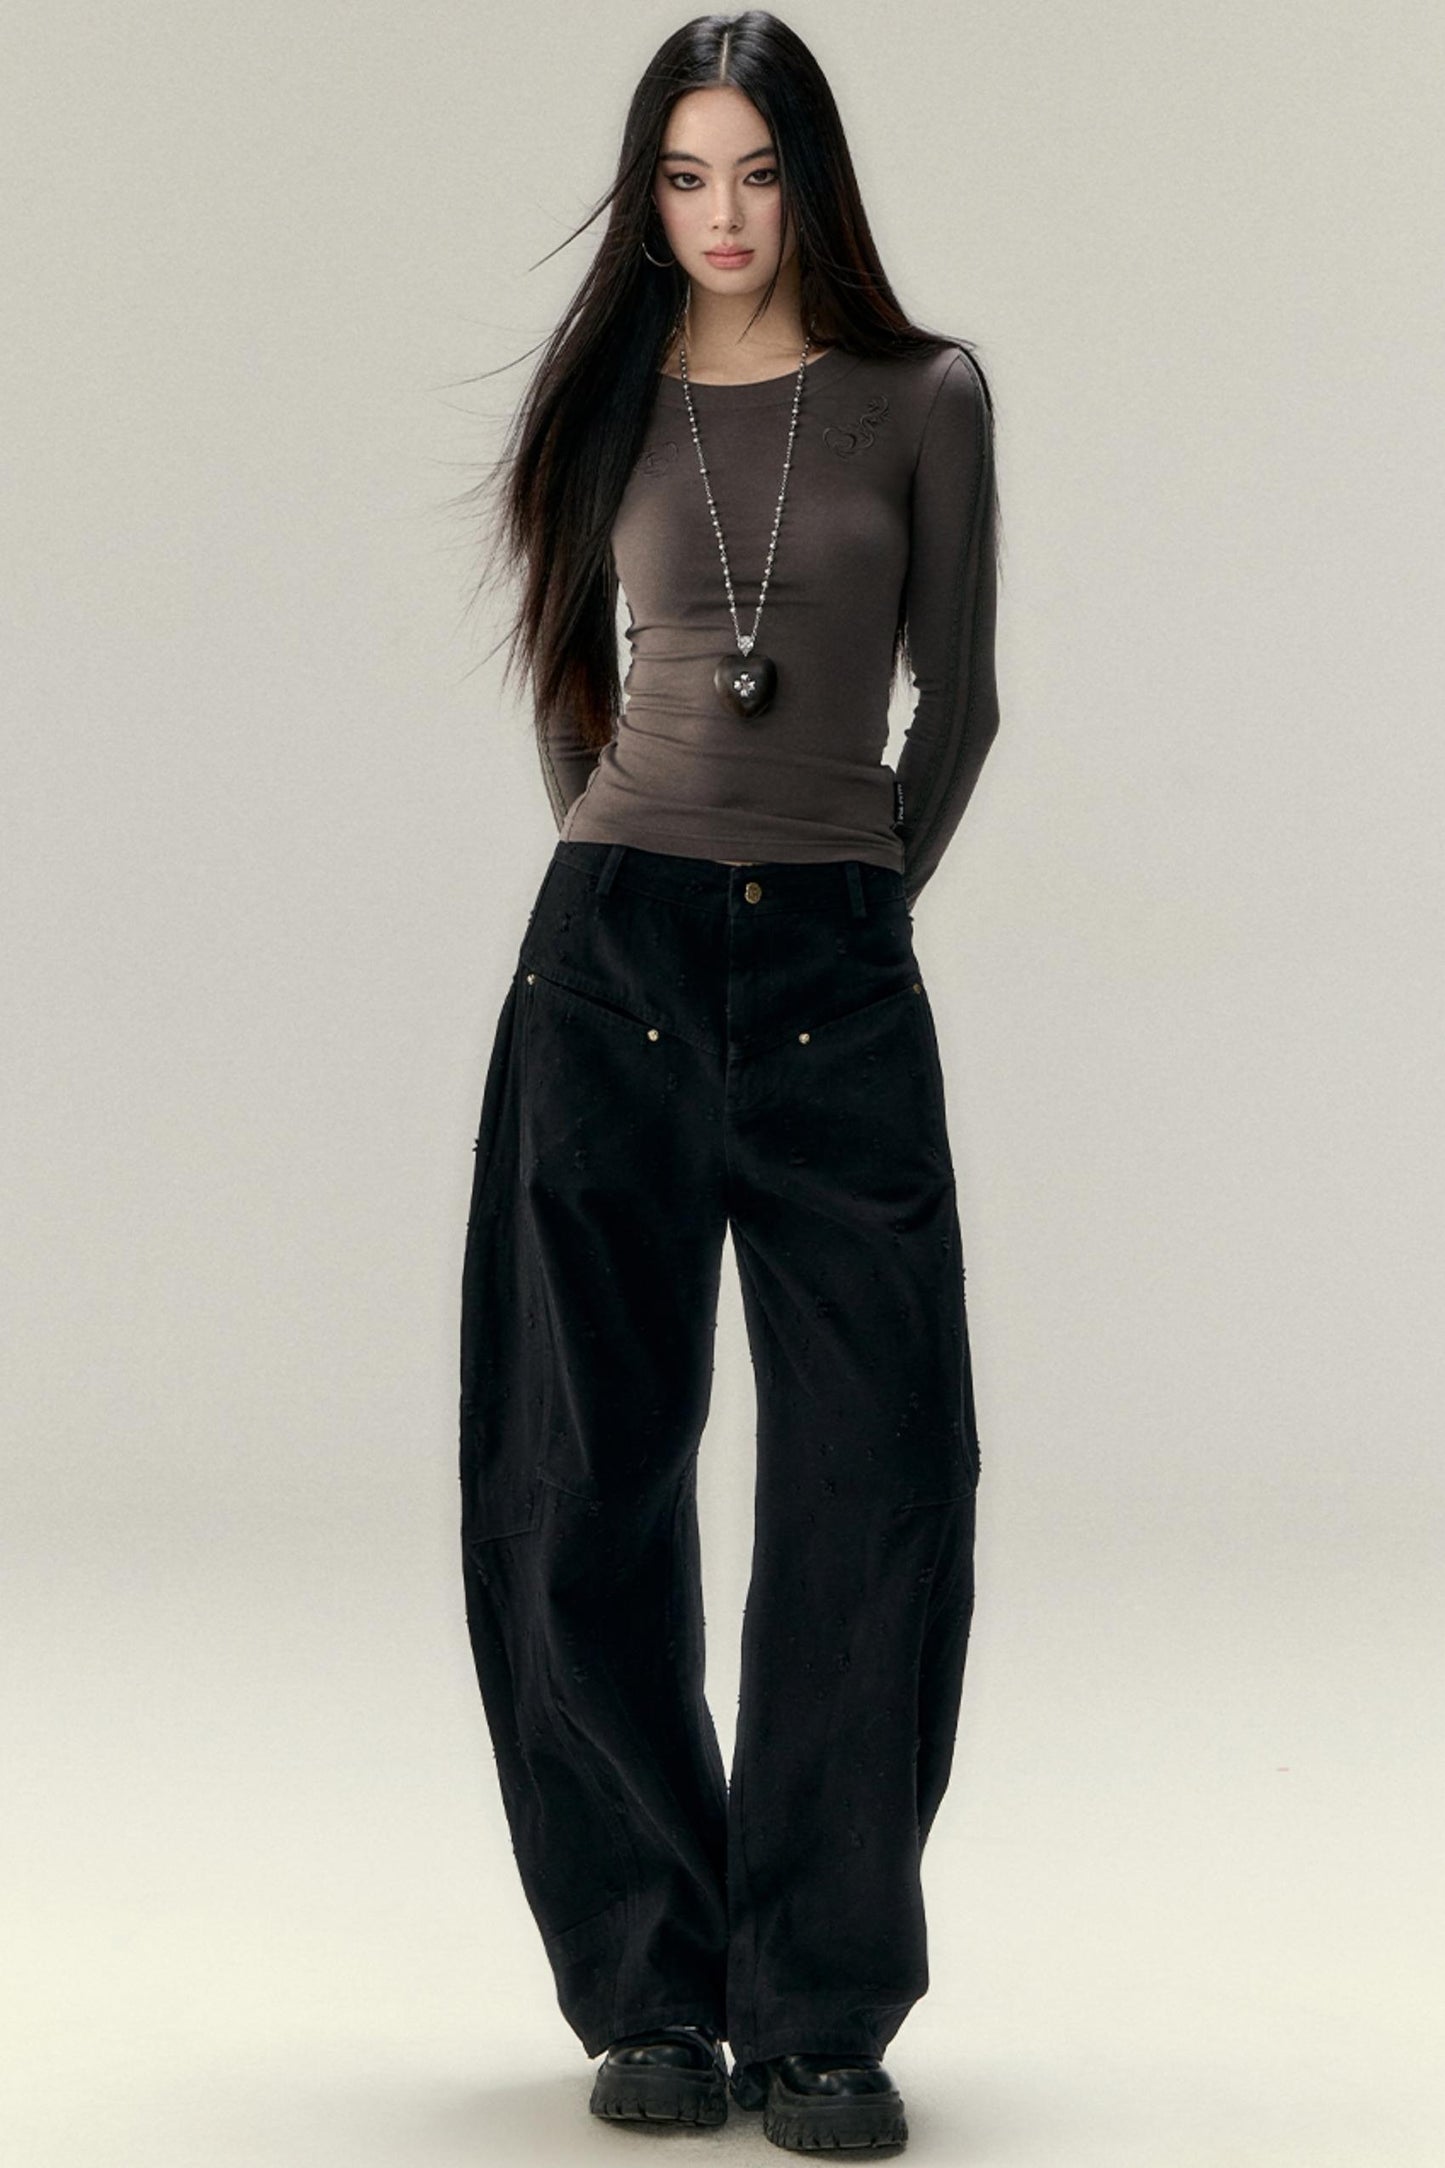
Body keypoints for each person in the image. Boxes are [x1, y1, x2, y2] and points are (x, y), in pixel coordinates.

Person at [458, 11, 1001, 2153]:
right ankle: (655, 1988)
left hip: (838, 976)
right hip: (611, 960)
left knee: (880, 1480)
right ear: (647, 192)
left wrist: (851, 900)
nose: (721, 216)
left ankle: (822, 2007)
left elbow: (958, 706)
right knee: (582, 1476)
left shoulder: (925, 395)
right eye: (684, 177)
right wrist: (645, 882)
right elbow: (566, 692)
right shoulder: (605, 391)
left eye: (755, 172)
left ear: (812, 180)